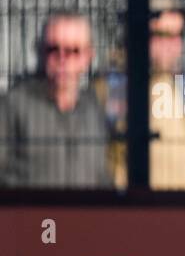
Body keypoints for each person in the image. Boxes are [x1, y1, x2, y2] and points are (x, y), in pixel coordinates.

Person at [96, 0, 185, 189]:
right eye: (162, 35)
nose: (172, 45)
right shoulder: (114, 83)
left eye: (178, 35)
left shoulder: (183, 83)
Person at [0, 11, 112, 188]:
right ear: (39, 51)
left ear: (88, 56)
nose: (62, 59)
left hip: (85, 214)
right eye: (53, 49)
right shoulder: (12, 106)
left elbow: (102, 175)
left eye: (73, 51)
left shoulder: (92, 108)